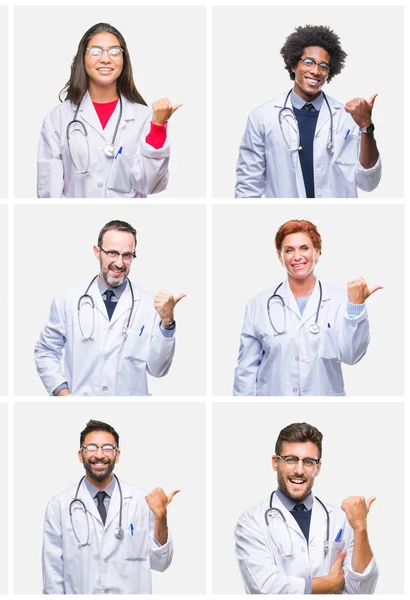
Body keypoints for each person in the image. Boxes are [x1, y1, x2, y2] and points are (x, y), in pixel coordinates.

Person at [34, 219, 185, 395]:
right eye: (112, 253)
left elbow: (158, 370)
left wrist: (167, 322)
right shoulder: (66, 301)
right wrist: (62, 393)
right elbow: (46, 351)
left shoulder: (149, 305)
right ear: (97, 252)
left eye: (127, 255)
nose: (120, 263)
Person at [233, 219, 381, 396]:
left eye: (304, 248)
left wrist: (356, 307)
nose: (297, 256)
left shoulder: (341, 300)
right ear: (280, 256)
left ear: (317, 253)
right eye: (289, 250)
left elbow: (351, 355)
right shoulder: (258, 304)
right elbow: (246, 371)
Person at [235, 25, 381, 198]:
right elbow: (247, 188)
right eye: (308, 62)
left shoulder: (348, 117)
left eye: (323, 66)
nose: (315, 71)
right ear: (293, 65)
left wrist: (366, 126)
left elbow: (369, 183)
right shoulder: (261, 117)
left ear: (329, 73)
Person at [37, 22, 181, 198]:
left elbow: (149, 185)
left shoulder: (143, 116)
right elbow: (49, 193)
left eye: (114, 52)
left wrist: (158, 127)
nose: (105, 59)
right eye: (96, 51)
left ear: (124, 60)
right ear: (82, 58)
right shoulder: (58, 118)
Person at [234, 422, 378, 594]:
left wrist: (360, 528)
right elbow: (264, 588)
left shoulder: (341, 518)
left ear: (318, 468)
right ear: (275, 463)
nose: (299, 470)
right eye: (291, 459)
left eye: (308, 462)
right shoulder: (252, 522)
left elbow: (363, 592)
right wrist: (329, 584)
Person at [42, 419, 178, 594]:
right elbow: (52, 579)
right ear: (80, 455)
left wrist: (161, 516)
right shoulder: (58, 506)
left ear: (117, 455)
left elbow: (161, 563)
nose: (99, 455)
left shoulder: (141, 501)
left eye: (107, 448)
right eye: (91, 447)